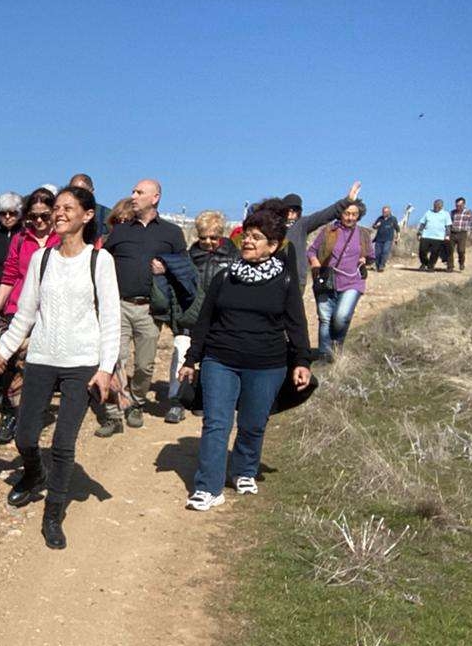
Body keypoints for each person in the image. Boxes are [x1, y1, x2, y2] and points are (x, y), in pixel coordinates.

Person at [0, 186, 120, 549]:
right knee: (25, 437)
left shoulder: (100, 261)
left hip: (82, 364)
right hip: (42, 359)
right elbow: (25, 315)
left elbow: (111, 320)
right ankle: (34, 474)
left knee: (63, 444)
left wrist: (105, 369)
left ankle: (53, 513)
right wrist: (0, 353)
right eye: (56, 207)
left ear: (87, 215)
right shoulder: (41, 259)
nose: (59, 213)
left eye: (67, 208)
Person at [178, 204, 313, 510]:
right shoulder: (225, 277)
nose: (248, 241)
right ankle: (208, 488)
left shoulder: (285, 281)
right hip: (220, 360)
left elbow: (296, 324)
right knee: (216, 423)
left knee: (253, 423)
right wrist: (191, 359)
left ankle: (244, 470)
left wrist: (302, 361)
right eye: (246, 236)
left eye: (256, 237)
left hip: (267, 364)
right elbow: (204, 321)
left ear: (273, 246)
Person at [95, 178, 186, 433]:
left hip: (150, 309)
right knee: (116, 359)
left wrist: (167, 269)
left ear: (155, 198)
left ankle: (136, 402)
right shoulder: (121, 231)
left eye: (139, 192)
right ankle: (114, 414)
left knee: (144, 366)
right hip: (119, 306)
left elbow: (185, 267)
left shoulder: (171, 233)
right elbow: (102, 262)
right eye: (133, 191)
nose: (133, 196)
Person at [0, 190, 60, 444]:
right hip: (18, 309)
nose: (38, 221)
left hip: (51, 312)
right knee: (11, 364)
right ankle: (9, 415)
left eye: (44, 216)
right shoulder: (21, 239)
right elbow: (9, 275)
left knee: (38, 366)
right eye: (33, 216)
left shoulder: (62, 240)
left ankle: (31, 414)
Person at [162, 210, 234, 422]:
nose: (208, 242)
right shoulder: (188, 257)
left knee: (211, 360)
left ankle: (201, 398)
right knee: (181, 354)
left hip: (220, 317)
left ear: (221, 234)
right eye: (203, 238)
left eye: (213, 237)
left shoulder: (234, 257)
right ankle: (176, 400)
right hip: (191, 316)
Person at [308, 198, 373, 360]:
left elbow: (371, 256)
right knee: (325, 319)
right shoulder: (329, 231)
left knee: (341, 317)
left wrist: (365, 259)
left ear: (359, 216)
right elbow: (312, 251)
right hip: (326, 280)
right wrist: (315, 262)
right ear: (340, 214)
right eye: (347, 213)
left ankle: (336, 347)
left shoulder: (363, 234)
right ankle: (325, 356)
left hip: (352, 282)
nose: (350, 217)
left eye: (354, 214)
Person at [279, 182, 363, 282]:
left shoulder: (302, 224)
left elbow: (325, 215)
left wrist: (347, 201)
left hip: (296, 279)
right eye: (287, 210)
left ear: (299, 211)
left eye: (294, 210)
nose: (290, 213)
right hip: (275, 279)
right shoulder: (272, 226)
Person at [68, 173, 110, 242]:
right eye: (73, 191)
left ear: (91, 191)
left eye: (81, 191)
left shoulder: (107, 215)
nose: (76, 195)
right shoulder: (62, 214)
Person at [417, 199, 453, 270]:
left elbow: (448, 226)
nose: (436, 207)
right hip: (426, 236)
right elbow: (422, 223)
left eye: (438, 206)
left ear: (441, 206)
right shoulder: (428, 212)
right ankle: (425, 263)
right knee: (422, 251)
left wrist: (447, 235)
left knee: (434, 253)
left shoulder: (446, 214)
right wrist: (419, 233)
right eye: (435, 205)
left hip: (438, 237)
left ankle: (431, 266)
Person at [448, 197, 472, 271]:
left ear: (464, 205)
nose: (458, 207)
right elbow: (448, 223)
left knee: (461, 250)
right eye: (457, 205)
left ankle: (461, 263)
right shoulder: (452, 212)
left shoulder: (469, 212)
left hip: (462, 233)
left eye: (460, 205)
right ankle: (450, 266)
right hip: (452, 232)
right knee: (450, 250)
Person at [371, 204, 400, 271]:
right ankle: (377, 266)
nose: (384, 213)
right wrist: (376, 225)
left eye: (386, 212)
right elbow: (374, 227)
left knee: (385, 252)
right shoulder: (380, 218)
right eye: (383, 212)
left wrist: (398, 237)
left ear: (389, 212)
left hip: (388, 239)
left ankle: (382, 266)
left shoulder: (393, 219)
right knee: (377, 253)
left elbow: (397, 228)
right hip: (379, 239)